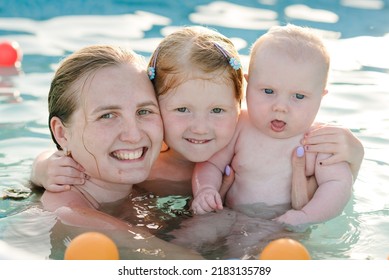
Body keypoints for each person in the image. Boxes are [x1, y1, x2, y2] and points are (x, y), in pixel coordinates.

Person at [30, 26, 363, 198]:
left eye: (218, 109)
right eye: (182, 109)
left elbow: (328, 177)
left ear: (241, 104)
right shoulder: (140, 162)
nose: (200, 127)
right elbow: (76, 155)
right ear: (154, 106)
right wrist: (42, 168)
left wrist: (355, 155)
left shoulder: (260, 136)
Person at [39, 44, 203, 259]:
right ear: (61, 134)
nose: (133, 135)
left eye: (144, 111)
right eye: (107, 115)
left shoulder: (151, 180)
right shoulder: (70, 215)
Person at [190, 24, 355, 227]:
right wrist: (206, 190)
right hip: (225, 215)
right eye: (268, 91)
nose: (280, 107)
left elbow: (338, 185)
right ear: (248, 85)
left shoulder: (320, 141)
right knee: (189, 236)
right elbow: (210, 164)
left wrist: (305, 216)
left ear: (321, 97)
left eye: (299, 96)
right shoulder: (239, 126)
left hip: (281, 226)